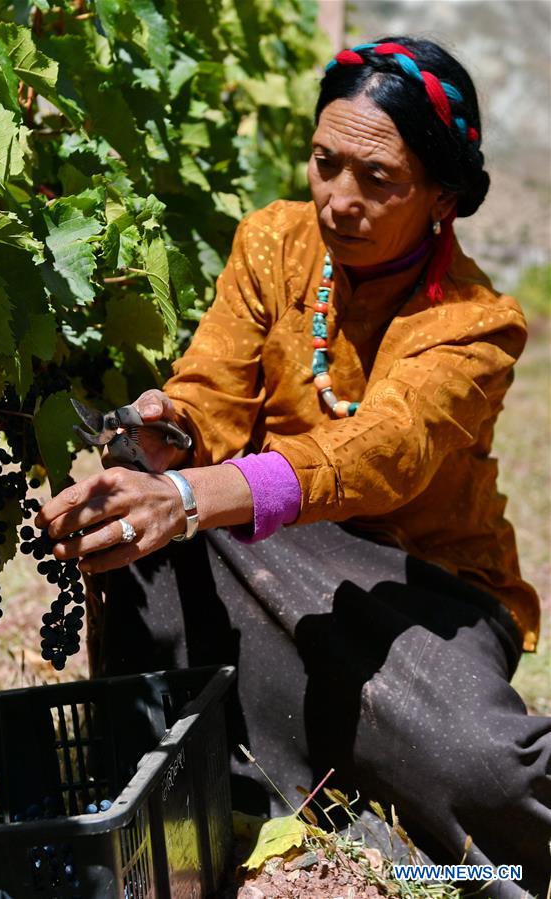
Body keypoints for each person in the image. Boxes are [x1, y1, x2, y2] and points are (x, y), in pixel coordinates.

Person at [35, 38, 550, 899]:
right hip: (266, 551)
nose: (338, 200)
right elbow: (212, 393)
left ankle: (448, 853)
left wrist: (195, 495)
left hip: (422, 599)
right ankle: (203, 804)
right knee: (139, 521)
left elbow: (382, 454)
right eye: (324, 163)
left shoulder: (476, 323)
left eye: (377, 180)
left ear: (441, 199)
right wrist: (173, 432)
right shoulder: (274, 244)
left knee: (486, 770)